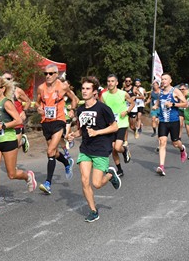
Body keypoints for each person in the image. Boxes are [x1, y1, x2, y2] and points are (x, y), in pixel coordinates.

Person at [0, 76, 37, 215]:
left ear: (3, 89)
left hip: (9, 141)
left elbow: (17, 120)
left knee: (12, 174)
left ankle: (28, 176)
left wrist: (3, 125)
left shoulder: (7, 103)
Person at [66, 76, 121, 223]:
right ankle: (93, 211)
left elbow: (115, 127)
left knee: (96, 184)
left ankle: (110, 175)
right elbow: (81, 130)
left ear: (95, 92)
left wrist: (97, 132)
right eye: (83, 88)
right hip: (85, 148)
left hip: (101, 149)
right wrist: (73, 135)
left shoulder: (103, 108)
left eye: (88, 89)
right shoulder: (81, 109)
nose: (84, 91)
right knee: (84, 180)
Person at [35, 64, 79, 195]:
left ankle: (48, 183)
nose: (47, 76)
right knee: (53, 153)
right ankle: (66, 162)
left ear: (56, 74)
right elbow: (37, 102)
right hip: (46, 122)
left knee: (50, 151)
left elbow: (75, 99)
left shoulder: (63, 86)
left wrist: (72, 110)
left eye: (50, 74)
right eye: (45, 74)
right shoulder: (41, 88)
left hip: (59, 121)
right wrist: (38, 108)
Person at [152, 73, 188, 176]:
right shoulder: (161, 92)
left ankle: (182, 149)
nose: (163, 81)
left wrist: (173, 104)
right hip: (163, 121)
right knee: (162, 142)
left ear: (170, 81)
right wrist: (155, 106)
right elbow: (158, 102)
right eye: (162, 79)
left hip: (173, 121)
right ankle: (162, 166)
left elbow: (185, 104)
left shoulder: (175, 91)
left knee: (175, 143)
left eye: (165, 79)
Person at [101, 74, 134, 177]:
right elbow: (101, 109)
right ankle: (119, 170)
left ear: (117, 83)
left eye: (112, 81)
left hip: (122, 123)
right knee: (113, 148)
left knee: (118, 147)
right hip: (111, 125)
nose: (110, 83)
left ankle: (124, 150)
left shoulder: (123, 94)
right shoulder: (104, 96)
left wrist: (127, 111)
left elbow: (132, 104)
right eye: (108, 81)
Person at [1, 72, 32, 153]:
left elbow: (28, 101)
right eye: (4, 79)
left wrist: (24, 111)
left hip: (17, 121)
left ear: (12, 80)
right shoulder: (0, 91)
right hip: (6, 121)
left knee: (15, 146)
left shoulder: (17, 91)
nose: (6, 81)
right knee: (6, 146)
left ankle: (23, 141)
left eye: (8, 79)